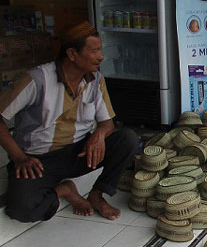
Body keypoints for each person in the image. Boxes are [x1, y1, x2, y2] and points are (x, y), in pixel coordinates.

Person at [0, 22, 138, 222]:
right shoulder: (37, 79)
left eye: (100, 50)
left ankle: (97, 194)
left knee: (128, 139)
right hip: (39, 160)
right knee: (21, 209)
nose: (101, 56)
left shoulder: (96, 80)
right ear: (72, 54)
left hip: (80, 152)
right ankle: (63, 190)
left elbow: (108, 124)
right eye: (94, 51)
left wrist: (98, 135)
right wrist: (20, 158)